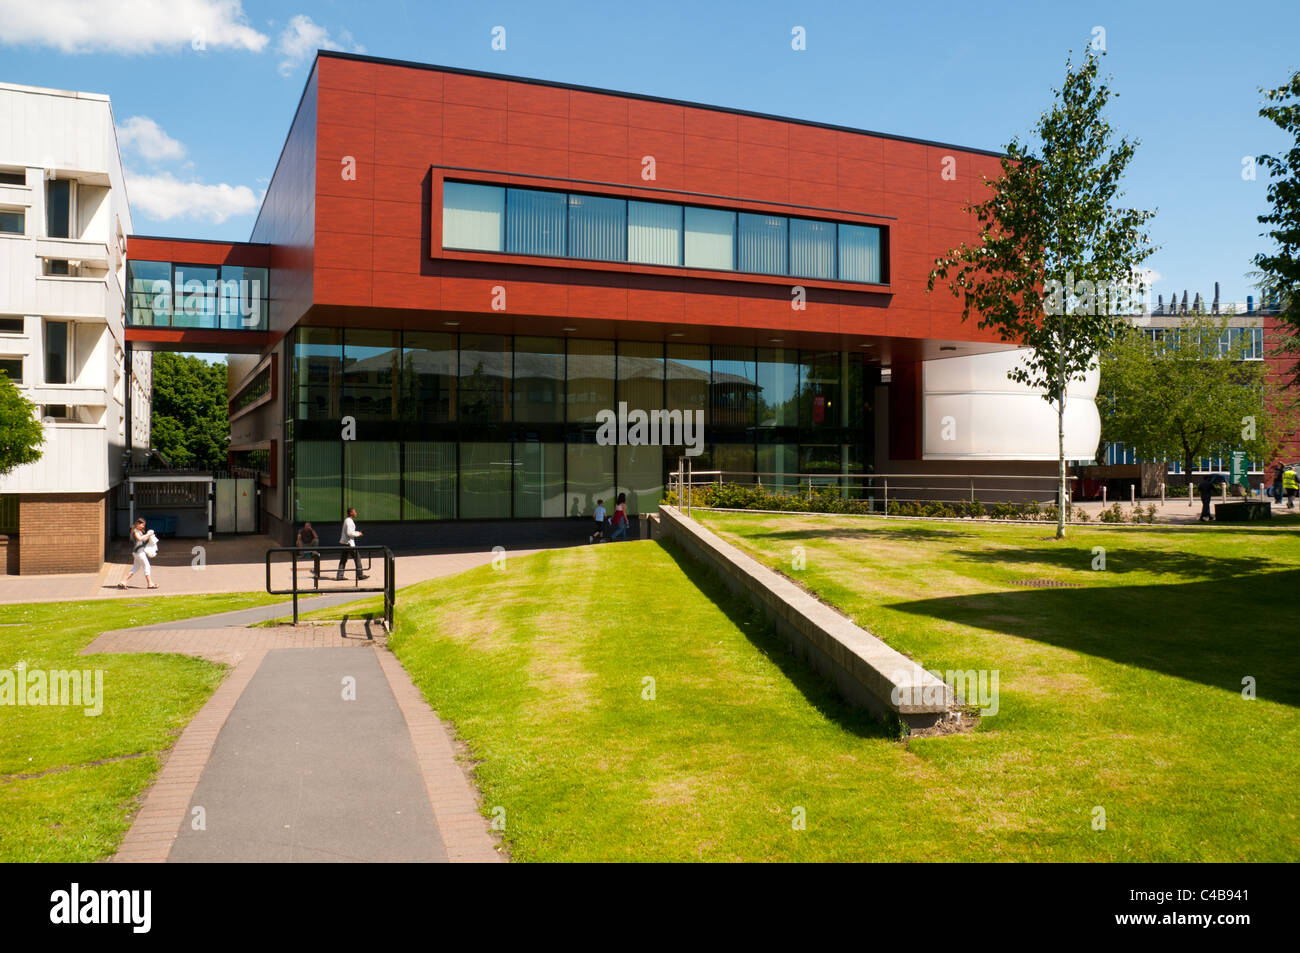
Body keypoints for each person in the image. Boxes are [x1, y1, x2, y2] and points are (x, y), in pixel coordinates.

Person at [120, 517, 158, 589]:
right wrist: (147, 534)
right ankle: (150, 584)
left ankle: (123, 582)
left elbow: (142, 540)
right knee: (147, 566)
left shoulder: (139, 531)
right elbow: (139, 538)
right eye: (142, 525)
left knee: (135, 568)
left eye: (144, 525)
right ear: (138, 524)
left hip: (138, 553)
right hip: (139, 553)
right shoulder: (135, 531)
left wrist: (149, 535)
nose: (143, 526)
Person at [337, 507, 368, 580]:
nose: (356, 513)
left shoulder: (347, 520)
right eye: (354, 512)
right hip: (349, 544)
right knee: (357, 558)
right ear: (351, 513)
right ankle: (360, 575)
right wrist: (358, 534)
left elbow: (350, 532)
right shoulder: (349, 521)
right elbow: (350, 533)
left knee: (343, 560)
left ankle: (339, 576)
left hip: (344, 543)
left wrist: (357, 532)